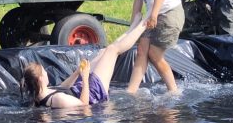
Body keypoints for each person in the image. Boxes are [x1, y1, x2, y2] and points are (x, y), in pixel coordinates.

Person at [20, 17, 152, 109]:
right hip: (93, 95)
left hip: (81, 87)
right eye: (45, 73)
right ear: (40, 80)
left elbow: (63, 86)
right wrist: (85, 79)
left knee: (104, 51)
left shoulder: (40, 93)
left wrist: (78, 72)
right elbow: (83, 105)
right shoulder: (57, 99)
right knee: (112, 51)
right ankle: (145, 22)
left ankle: (133, 26)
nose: (47, 74)